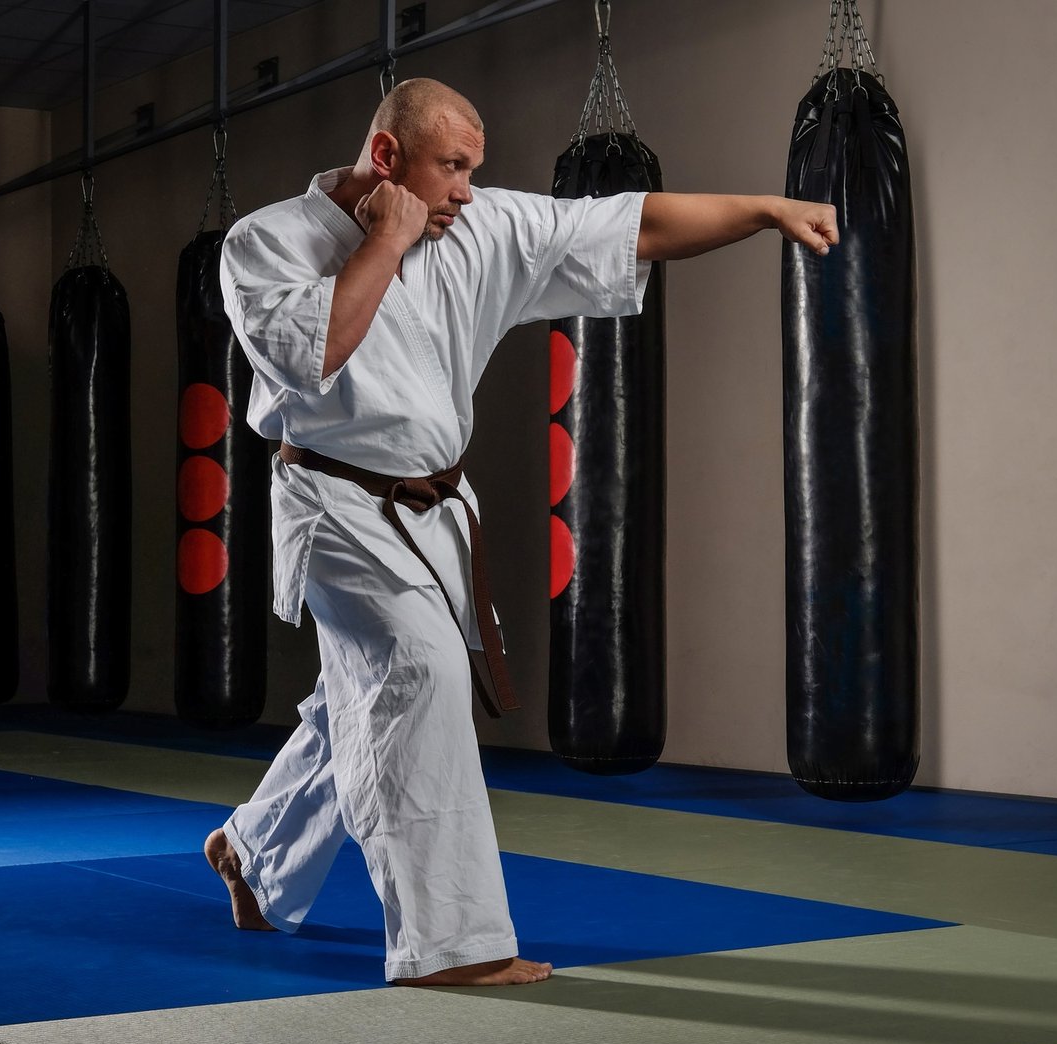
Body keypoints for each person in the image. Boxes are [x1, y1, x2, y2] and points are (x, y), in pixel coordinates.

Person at [205, 78, 838, 988]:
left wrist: (765, 209)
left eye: (474, 169)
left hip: (432, 509)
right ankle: (447, 947)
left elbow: (635, 223)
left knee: (372, 691)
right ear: (386, 159)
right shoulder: (264, 243)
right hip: (335, 505)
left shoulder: (482, 228)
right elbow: (315, 353)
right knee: (415, 671)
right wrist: (386, 235)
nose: (466, 188)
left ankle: (253, 848)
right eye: (451, 167)